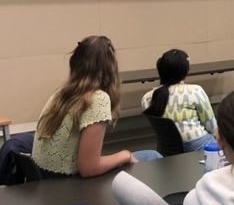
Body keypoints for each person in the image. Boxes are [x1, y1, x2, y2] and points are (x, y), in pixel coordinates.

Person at [32, 36, 161, 178]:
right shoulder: (98, 99)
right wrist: (125, 155)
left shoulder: (60, 93)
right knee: (152, 157)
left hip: (45, 179)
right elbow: (89, 168)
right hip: (72, 185)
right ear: (110, 66)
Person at [141, 49, 217, 152]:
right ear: (185, 70)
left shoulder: (147, 98)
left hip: (166, 150)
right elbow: (212, 127)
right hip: (198, 146)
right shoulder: (195, 91)